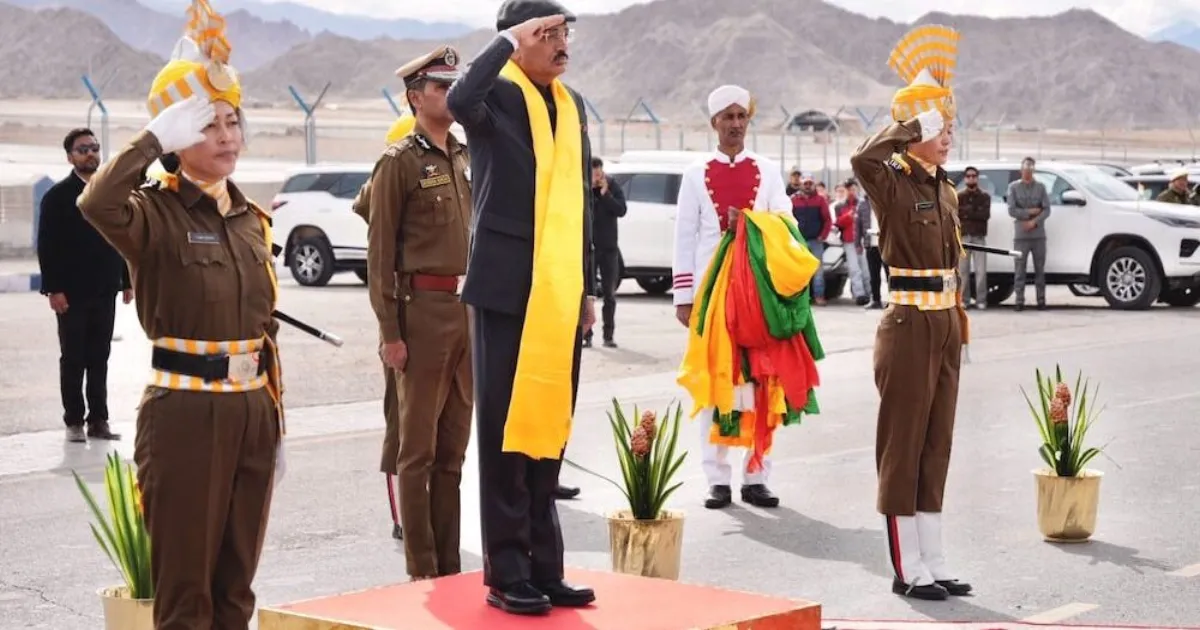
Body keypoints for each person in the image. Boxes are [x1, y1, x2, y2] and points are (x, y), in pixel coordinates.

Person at [76, 2, 286, 626]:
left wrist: (272, 416)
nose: (225, 136)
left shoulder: (252, 220)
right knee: (186, 589)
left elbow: (264, 322)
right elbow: (96, 201)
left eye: (231, 122)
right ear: (175, 138)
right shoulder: (153, 214)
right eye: (206, 125)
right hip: (187, 413)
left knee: (236, 585)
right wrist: (150, 141)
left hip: (254, 409)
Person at [446, 0, 596, 616]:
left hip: (560, 290)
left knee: (548, 430)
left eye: (566, 33)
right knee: (507, 432)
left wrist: (586, 287)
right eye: (549, 33)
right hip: (508, 286)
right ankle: (507, 571)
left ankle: (545, 566)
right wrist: (506, 41)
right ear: (521, 38)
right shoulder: (497, 97)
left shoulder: (573, 105)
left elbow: (579, 197)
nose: (563, 44)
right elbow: (457, 102)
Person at [849, 23, 973, 602]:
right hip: (907, 325)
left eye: (949, 126)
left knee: (936, 443)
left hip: (944, 323)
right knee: (903, 445)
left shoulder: (945, 190)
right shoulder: (892, 183)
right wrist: (907, 126)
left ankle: (935, 557)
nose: (947, 136)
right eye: (938, 127)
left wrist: (960, 324)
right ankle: (907, 567)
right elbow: (861, 157)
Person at [366, 45, 474, 582]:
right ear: (415, 97)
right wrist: (391, 332)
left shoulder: (460, 155)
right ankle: (422, 569)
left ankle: (451, 565)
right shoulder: (398, 162)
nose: (450, 95)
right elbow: (379, 257)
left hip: (464, 313)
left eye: (454, 86)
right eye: (440, 88)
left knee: (454, 449)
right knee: (418, 453)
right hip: (421, 314)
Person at [672, 84, 794, 510]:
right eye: (728, 117)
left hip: (756, 296)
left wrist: (752, 222)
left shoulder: (768, 170)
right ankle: (717, 479)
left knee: (760, 382)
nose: (736, 124)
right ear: (714, 124)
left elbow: (786, 221)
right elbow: (684, 236)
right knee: (716, 383)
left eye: (742, 116)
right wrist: (683, 297)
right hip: (711, 297)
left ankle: (756, 475)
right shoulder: (694, 174)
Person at [36, 128, 131, 443]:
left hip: (106, 289)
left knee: (100, 357)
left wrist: (128, 281)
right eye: (82, 149)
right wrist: (54, 289)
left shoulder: (110, 194)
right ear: (70, 157)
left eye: (94, 147)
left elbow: (123, 240)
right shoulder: (58, 198)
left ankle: (99, 421)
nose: (90, 153)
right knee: (74, 357)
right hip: (71, 294)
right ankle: (74, 420)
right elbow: (47, 247)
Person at [352, 111, 416, 542]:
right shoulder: (393, 170)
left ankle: (423, 508)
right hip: (402, 311)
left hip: (438, 310)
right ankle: (402, 515)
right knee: (401, 418)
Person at [584, 156, 627, 348]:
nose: (598, 176)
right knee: (586, 293)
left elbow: (621, 210)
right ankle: (587, 334)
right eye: (594, 174)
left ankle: (608, 335)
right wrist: (590, 190)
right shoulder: (583, 187)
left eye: (600, 173)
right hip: (589, 248)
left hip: (609, 248)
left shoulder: (611, 186)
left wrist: (605, 194)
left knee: (609, 293)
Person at [1007, 157, 1050, 311]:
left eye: (1030, 170)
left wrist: (1034, 221)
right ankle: (1019, 301)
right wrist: (1029, 212)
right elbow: (1011, 210)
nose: (1027, 173)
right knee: (1019, 269)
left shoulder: (1041, 188)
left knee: (1040, 269)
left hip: (1038, 235)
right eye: (1025, 170)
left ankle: (1041, 300)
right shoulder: (1013, 188)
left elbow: (1046, 209)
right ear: (1021, 170)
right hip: (1021, 235)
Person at [789, 172, 831, 305]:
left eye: (810, 183)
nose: (807, 186)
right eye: (805, 183)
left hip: (816, 241)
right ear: (801, 184)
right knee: (799, 270)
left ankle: (819, 296)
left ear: (813, 184)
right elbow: (788, 219)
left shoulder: (820, 200)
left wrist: (822, 236)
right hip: (799, 241)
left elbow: (827, 220)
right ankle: (800, 298)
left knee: (818, 270)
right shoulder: (793, 200)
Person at [956, 166, 991, 308]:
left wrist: (967, 212)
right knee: (963, 270)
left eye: (974, 176)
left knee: (980, 270)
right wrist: (973, 211)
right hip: (964, 236)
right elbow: (957, 214)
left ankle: (981, 299)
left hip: (979, 236)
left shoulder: (984, 196)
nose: (971, 178)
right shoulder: (959, 196)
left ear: (977, 177)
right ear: (965, 178)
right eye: (968, 176)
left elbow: (984, 215)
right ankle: (964, 299)